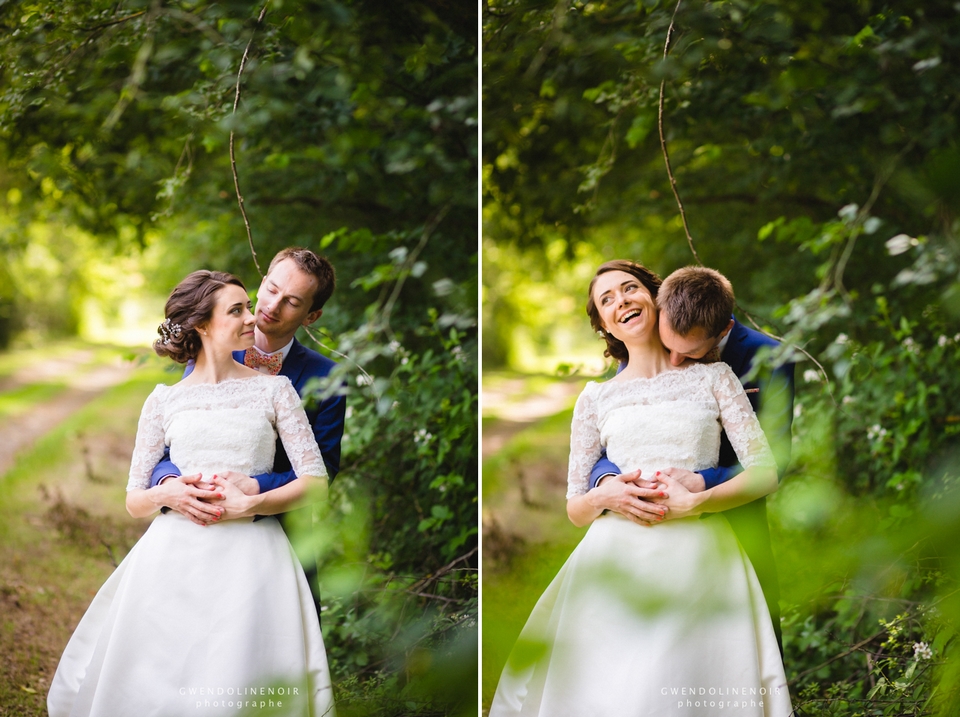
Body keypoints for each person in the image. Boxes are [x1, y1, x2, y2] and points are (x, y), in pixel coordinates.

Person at [489, 260, 791, 716]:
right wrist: (603, 496)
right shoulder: (594, 398)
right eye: (605, 300)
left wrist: (700, 500)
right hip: (615, 560)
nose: (620, 301)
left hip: (701, 556)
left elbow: (765, 470)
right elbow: (575, 506)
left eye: (629, 289)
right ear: (604, 326)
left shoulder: (714, 377)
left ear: (656, 298)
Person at [47, 271, 336, 717]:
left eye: (247, 306)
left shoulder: (275, 391)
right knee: (165, 672)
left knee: (237, 677)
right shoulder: (164, 400)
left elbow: (316, 482)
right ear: (202, 324)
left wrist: (252, 501)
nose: (252, 317)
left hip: (254, 557)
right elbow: (133, 500)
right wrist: (170, 494)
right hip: (173, 556)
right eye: (236, 309)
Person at [587, 266, 794, 648]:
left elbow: (776, 458)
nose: (676, 361)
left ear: (721, 331)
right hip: (646, 522)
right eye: (670, 348)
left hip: (737, 508)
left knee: (753, 627)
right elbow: (618, 431)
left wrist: (702, 482)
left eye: (690, 351)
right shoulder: (657, 331)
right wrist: (606, 481)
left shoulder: (766, 357)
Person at [149, 248, 346, 528]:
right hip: (198, 519)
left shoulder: (328, 378)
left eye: (291, 301)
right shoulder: (208, 355)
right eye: (272, 289)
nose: (273, 306)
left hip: (282, 528)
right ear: (263, 281)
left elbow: (323, 471)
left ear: (311, 317)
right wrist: (169, 482)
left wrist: (256, 486)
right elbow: (175, 438)